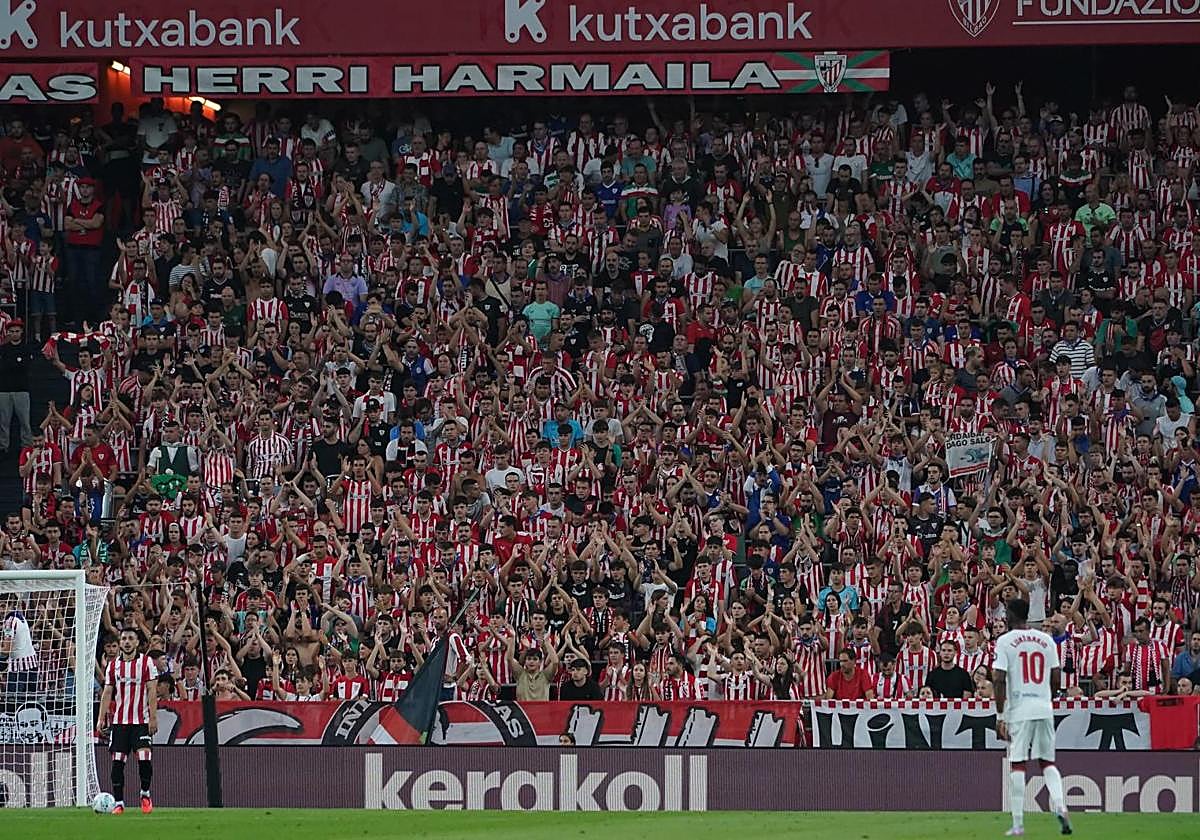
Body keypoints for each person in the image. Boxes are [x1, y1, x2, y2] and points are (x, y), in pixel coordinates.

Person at [994, 598, 1071, 837]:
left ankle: (1018, 823)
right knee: (1047, 762)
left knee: (1018, 764)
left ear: (1010, 615)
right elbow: (1056, 677)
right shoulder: (1046, 640)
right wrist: (1046, 697)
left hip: (1020, 710)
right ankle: (1060, 806)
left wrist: (1000, 715)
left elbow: (998, 679)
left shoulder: (1005, 641)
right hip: (1044, 707)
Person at [97, 627, 160, 815]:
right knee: (117, 763)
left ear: (137, 643)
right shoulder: (113, 665)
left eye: (131, 638)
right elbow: (107, 692)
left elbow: (152, 690)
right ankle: (119, 803)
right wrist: (101, 719)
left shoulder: (146, 662)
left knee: (144, 759)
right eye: (124, 638)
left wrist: (153, 718)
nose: (126, 642)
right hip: (119, 722)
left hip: (141, 721)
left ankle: (145, 794)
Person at [0, 319, 32, 455]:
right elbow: (3, 367)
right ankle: (3, 447)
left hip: (22, 390)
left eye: (17, 331)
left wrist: (11, 364)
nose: (14, 334)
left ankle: (26, 446)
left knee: (25, 421)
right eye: (12, 331)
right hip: (4, 390)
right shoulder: (3, 349)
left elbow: (25, 366)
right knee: (3, 422)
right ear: (8, 332)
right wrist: (16, 363)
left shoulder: (26, 348)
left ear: (21, 332)